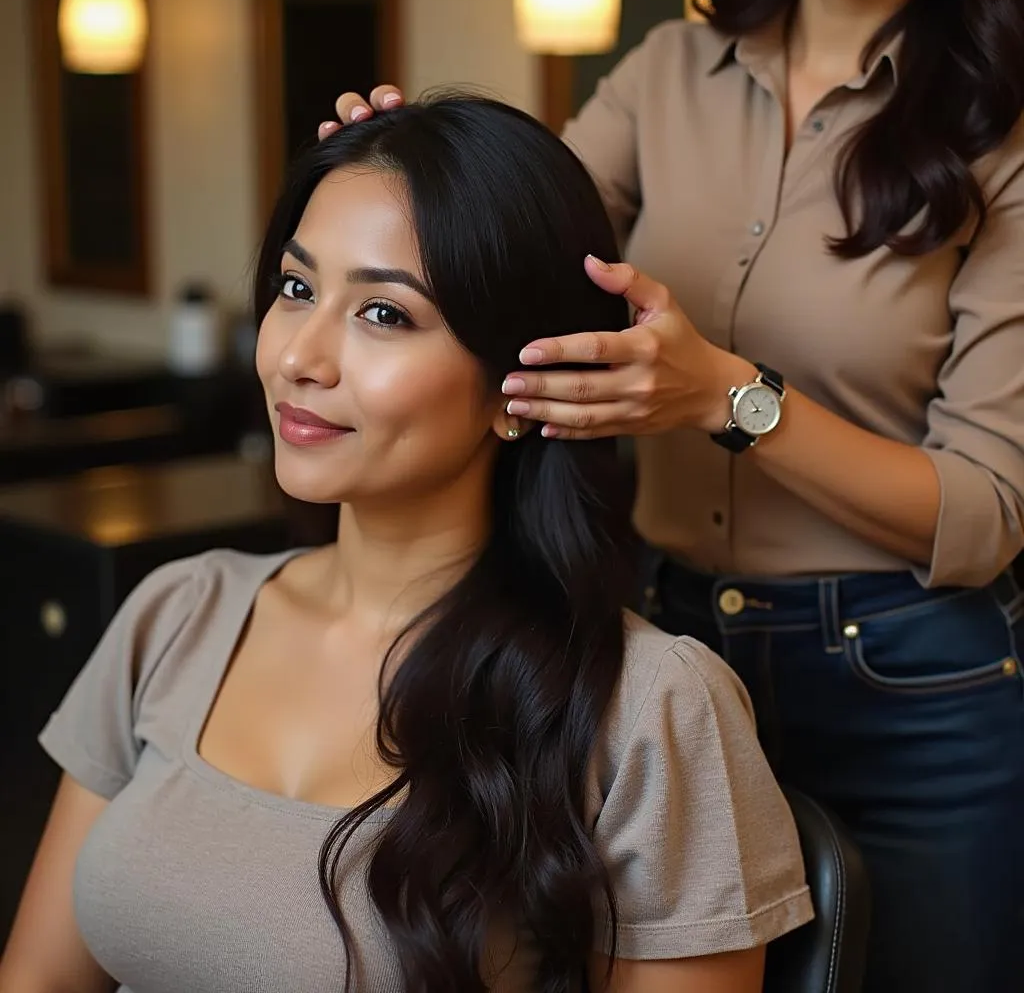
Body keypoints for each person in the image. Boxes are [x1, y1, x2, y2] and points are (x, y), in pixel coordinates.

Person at [0, 97, 812, 993]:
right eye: (298, 288)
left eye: (384, 314)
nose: (300, 357)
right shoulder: (178, 612)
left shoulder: (650, 708)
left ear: (520, 390)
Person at [320, 0, 1024, 990]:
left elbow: (987, 509)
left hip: (912, 686)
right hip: (665, 643)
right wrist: (399, 177)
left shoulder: (999, 120)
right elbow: (516, 240)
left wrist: (726, 399)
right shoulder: (670, 70)